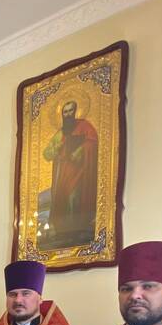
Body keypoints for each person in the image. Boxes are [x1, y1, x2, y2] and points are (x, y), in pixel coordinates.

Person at [42, 100, 98, 246]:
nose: (67, 114)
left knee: (75, 199)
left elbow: (93, 142)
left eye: (70, 111)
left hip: (80, 172)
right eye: (65, 112)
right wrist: (56, 148)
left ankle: (76, 232)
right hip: (63, 174)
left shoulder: (85, 126)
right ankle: (63, 232)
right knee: (62, 200)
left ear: (75, 111)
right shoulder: (60, 133)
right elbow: (47, 154)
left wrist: (80, 150)